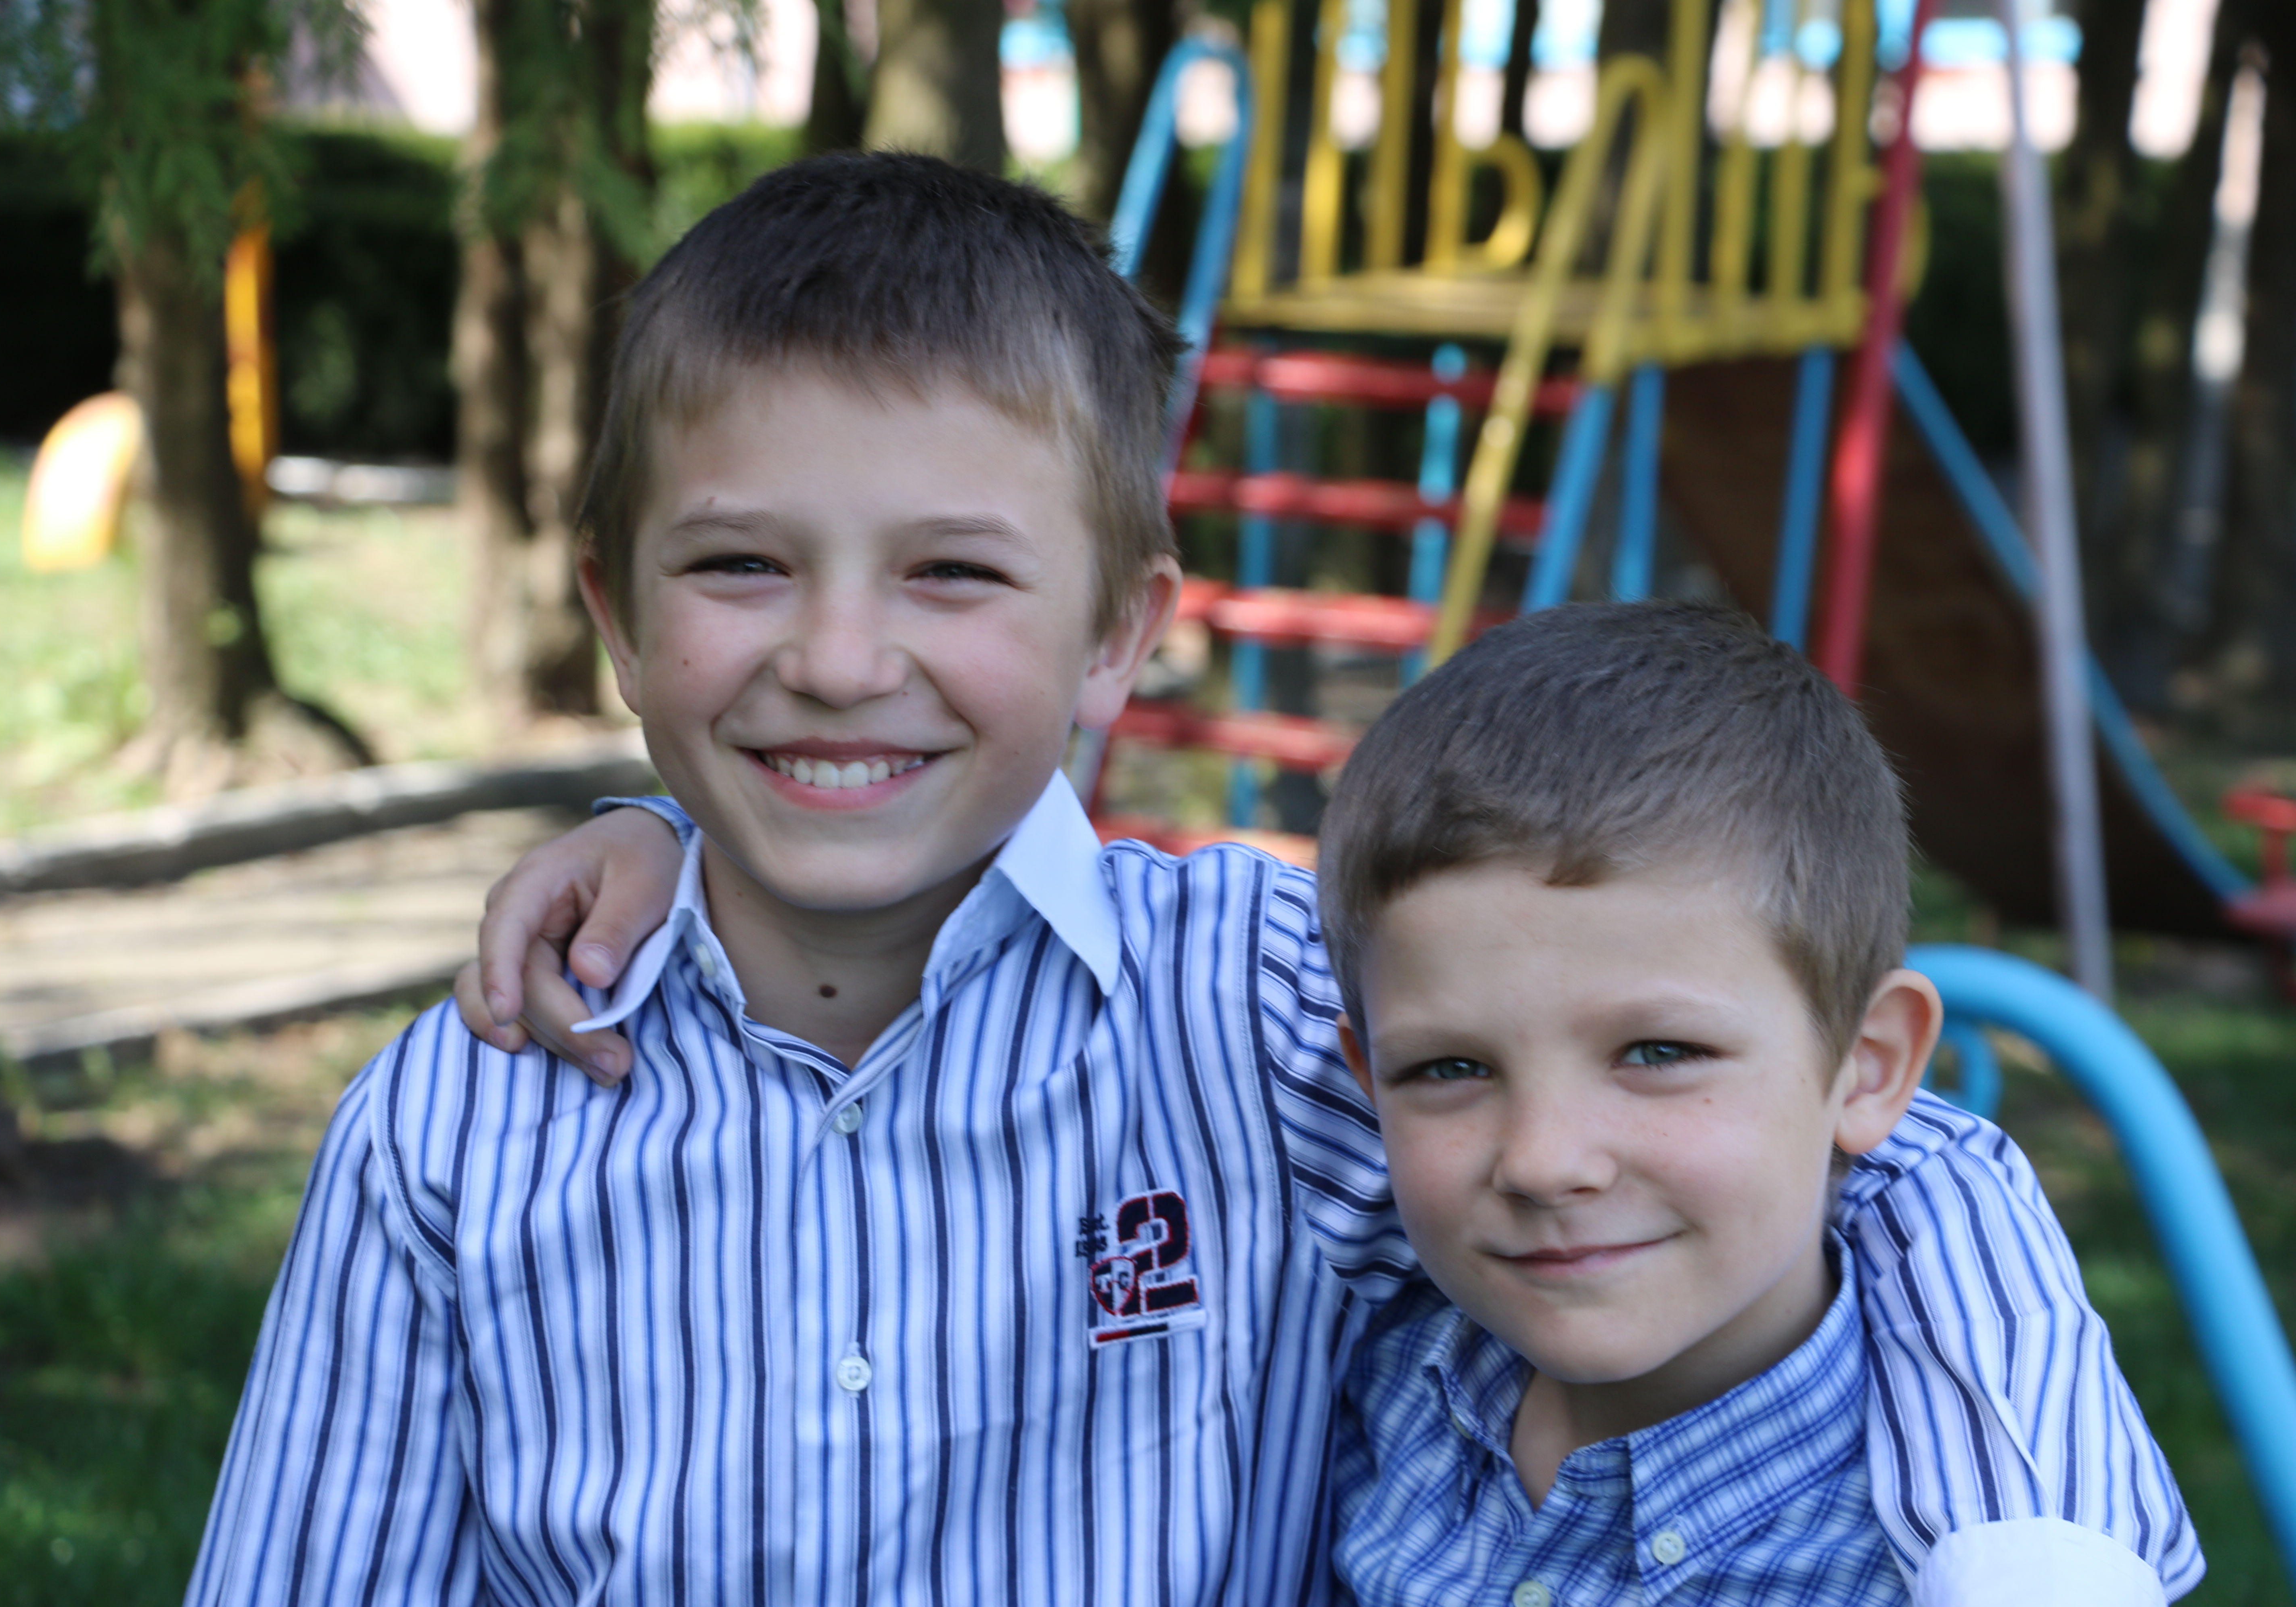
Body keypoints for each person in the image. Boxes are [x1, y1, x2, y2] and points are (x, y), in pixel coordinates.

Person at [190, 152, 2192, 1607]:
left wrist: (2033, 1560)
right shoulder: (461, 1120)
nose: (837, 657)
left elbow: (1877, 1160)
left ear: (1116, 635)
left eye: (951, 572)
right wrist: (651, 828)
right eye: (739, 567)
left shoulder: (1255, 1007)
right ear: (618, 618)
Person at [1321, 601, 2191, 1603]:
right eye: (1449, 1068)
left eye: (1658, 1051)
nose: (1544, 1159)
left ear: (1868, 1066)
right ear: (1368, 1077)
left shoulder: (1947, 1565)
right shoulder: (1375, 1381)